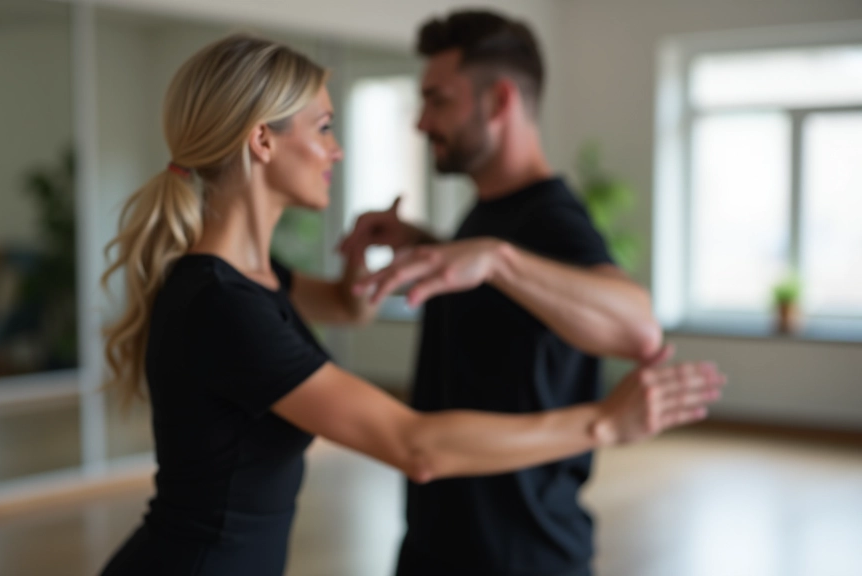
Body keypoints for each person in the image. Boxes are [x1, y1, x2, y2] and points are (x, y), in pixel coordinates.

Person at [98, 33, 725, 576]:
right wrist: (604, 423)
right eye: (324, 127)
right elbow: (414, 445)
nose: (337, 149)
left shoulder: (251, 280)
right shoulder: (221, 302)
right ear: (262, 140)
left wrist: (389, 254)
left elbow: (344, 306)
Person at [339, 11, 664, 576]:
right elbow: (503, 307)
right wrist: (427, 244)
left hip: (521, 556)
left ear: (499, 101)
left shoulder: (552, 218)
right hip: (438, 542)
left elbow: (639, 327)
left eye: (438, 101)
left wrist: (498, 259)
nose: (421, 122)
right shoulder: (492, 211)